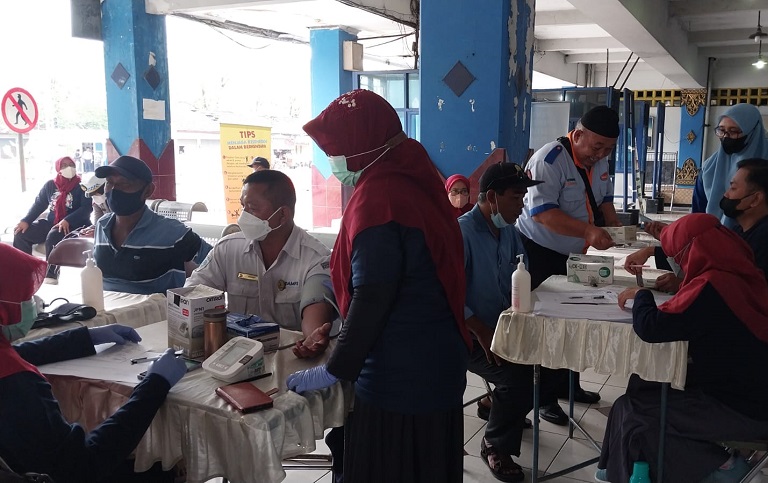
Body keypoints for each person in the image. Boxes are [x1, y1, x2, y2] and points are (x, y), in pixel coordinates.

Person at [289, 89, 470, 483]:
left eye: (336, 150)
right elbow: (410, 279)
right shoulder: (414, 175)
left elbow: (375, 293)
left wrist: (335, 369)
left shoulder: (381, 197)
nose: (333, 162)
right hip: (436, 362)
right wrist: (340, 329)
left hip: (399, 378)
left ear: (362, 145)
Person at [597, 214, 768, 483]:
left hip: (752, 409)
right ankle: (612, 467)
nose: (681, 266)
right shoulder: (739, 272)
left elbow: (651, 328)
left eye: (680, 258)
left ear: (694, 251)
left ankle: (724, 467)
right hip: (764, 393)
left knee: (639, 417)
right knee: (641, 386)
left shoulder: (713, 287)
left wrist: (641, 294)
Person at [0, 244, 187, 483]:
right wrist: (155, 386)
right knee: (161, 469)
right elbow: (83, 464)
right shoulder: (17, 385)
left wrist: (86, 337)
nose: (34, 303)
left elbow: (21, 352)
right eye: (25, 297)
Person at [626, 158, 768, 367]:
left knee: (670, 367)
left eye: (733, 188)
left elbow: (738, 297)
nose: (726, 194)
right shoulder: (744, 229)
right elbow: (709, 254)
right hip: (756, 345)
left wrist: (684, 286)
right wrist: (656, 249)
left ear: (755, 199)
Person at [647, 103, 768, 297]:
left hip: (751, 254)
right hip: (714, 254)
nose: (727, 137)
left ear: (753, 131)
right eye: (722, 131)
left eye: (734, 132)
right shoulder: (709, 168)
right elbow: (698, 220)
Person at [516, 105, 623, 408]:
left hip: (572, 253)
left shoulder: (598, 162)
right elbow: (543, 214)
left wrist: (614, 225)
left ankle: (568, 385)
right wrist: (589, 232)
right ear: (577, 135)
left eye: (608, 148)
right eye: (597, 146)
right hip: (538, 252)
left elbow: (603, 200)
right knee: (546, 325)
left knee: (573, 321)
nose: (601, 153)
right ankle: (544, 398)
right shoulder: (550, 160)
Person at [460, 162, 556, 482]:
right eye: (516, 197)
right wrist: (483, 332)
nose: (522, 205)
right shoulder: (462, 234)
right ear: (492, 197)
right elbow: (447, 294)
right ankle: (494, 445)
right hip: (469, 335)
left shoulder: (510, 233)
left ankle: (497, 408)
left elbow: (521, 282)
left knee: (551, 363)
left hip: (504, 329)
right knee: (518, 377)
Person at [187, 169, 336, 359]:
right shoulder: (228, 249)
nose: (243, 216)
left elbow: (315, 313)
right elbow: (193, 292)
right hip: (235, 356)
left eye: (252, 208)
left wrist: (312, 338)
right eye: (243, 206)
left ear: (282, 215)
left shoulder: (316, 259)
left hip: (289, 358)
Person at [93, 156, 212, 294]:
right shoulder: (102, 226)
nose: (114, 190)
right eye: (109, 182)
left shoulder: (172, 232)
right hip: (107, 312)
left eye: (124, 184)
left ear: (147, 190)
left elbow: (217, 262)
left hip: (154, 313)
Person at [13, 156, 93, 284]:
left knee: (53, 235)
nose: (69, 168)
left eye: (71, 164)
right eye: (64, 165)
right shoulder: (51, 185)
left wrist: (68, 220)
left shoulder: (82, 186)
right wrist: (26, 220)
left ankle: (51, 274)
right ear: (58, 169)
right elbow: (39, 204)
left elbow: (86, 208)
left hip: (75, 225)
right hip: (53, 221)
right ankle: (25, 271)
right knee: (21, 233)